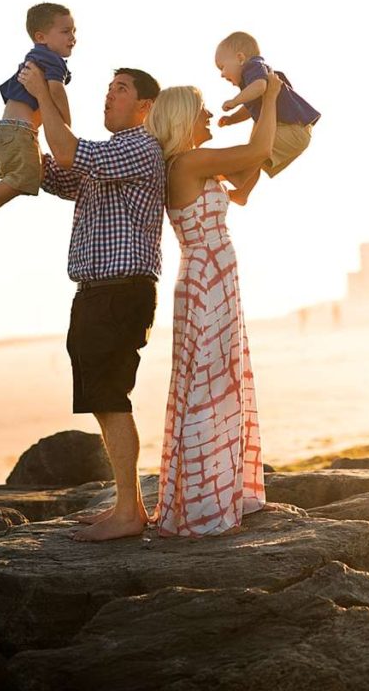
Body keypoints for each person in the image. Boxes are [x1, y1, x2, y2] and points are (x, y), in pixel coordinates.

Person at [18, 61, 164, 543]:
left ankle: (128, 512)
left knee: (111, 397)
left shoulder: (139, 147)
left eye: (120, 90)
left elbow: (69, 151)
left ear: (145, 106)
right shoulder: (105, 154)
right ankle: (130, 505)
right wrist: (23, 126)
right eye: (107, 89)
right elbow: (58, 173)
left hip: (120, 291)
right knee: (104, 399)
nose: (108, 96)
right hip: (98, 292)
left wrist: (41, 91)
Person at [144, 70, 282, 536]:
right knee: (207, 384)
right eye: (201, 109)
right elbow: (258, 151)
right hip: (206, 275)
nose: (208, 114)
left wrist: (265, 120)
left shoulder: (196, 163)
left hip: (214, 274)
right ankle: (203, 507)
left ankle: (220, 494)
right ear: (184, 118)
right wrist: (272, 101)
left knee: (219, 378)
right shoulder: (188, 162)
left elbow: (243, 185)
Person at [0, 2, 76, 244]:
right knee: (25, 178)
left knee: (24, 178)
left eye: (74, 31)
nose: (73, 38)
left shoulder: (36, 57)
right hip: (20, 132)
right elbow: (56, 91)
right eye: (66, 32)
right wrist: (65, 123)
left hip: (7, 132)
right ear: (41, 37)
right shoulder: (52, 61)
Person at [215, 31, 320, 204]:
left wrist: (235, 101)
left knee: (254, 152)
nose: (221, 74)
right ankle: (242, 193)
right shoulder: (250, 80)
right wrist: (232, 118)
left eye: (222, 67)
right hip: (291, 130)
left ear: (241, 58)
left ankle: (239, 175)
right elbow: (250, 109)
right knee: (255, 155)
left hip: (292, 128)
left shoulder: (254, 66)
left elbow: (260, 87)